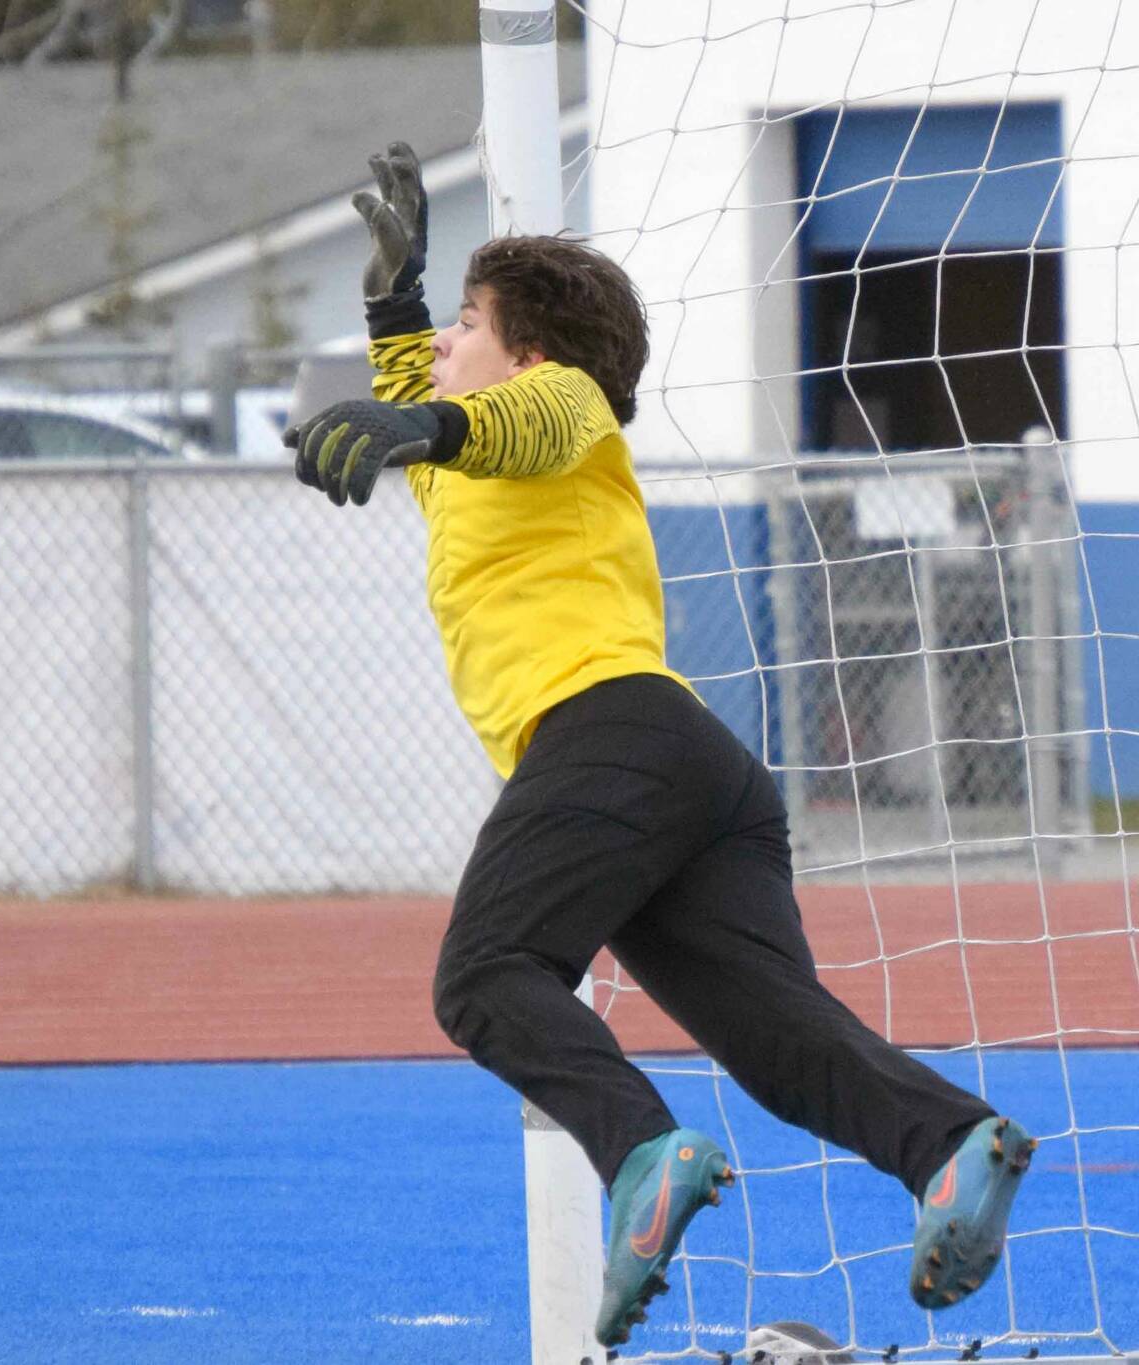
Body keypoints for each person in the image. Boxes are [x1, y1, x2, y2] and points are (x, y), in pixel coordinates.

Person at [283, 143, 1033, 1349]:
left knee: (483, 978)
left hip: (607, 737)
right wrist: (393, 306)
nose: (442, 346)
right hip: (689, 770)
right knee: (776, 1042)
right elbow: (441, 421)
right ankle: (949, 1143)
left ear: (523, 351)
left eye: (465, 323)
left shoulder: (561, 411)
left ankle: (640, 1153)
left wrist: (417, 411)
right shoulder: (462, 468)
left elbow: (518, 414)